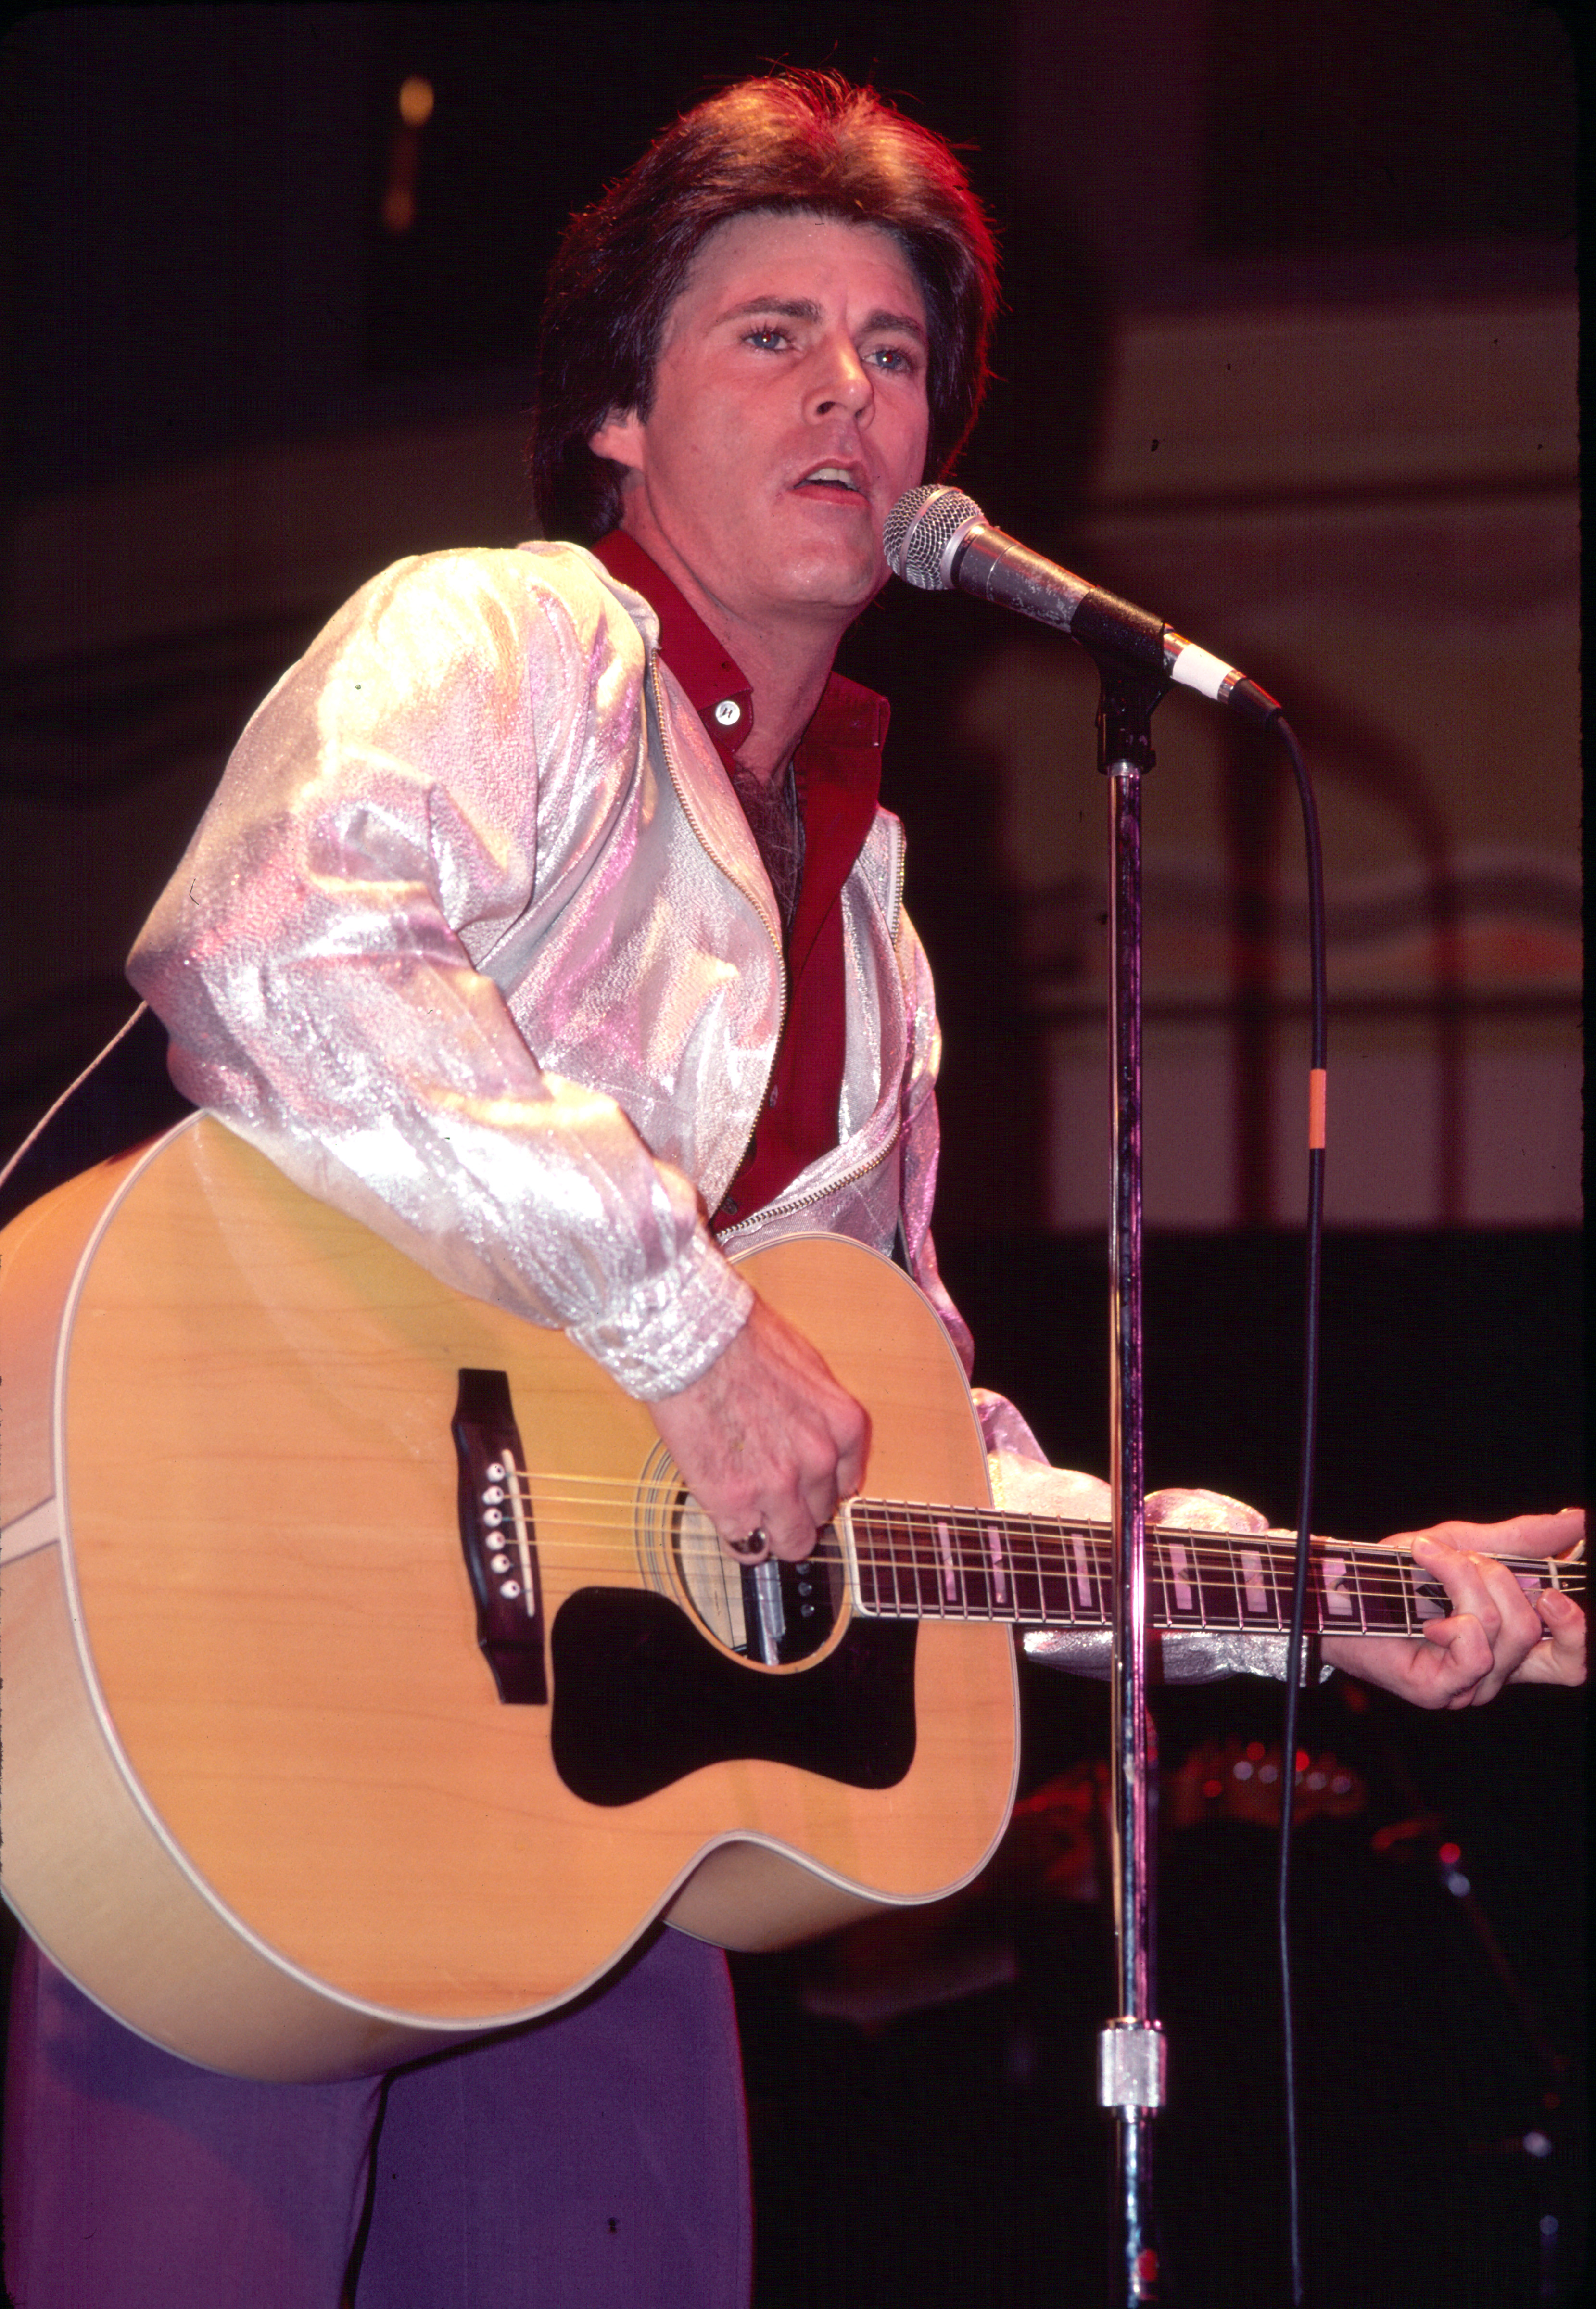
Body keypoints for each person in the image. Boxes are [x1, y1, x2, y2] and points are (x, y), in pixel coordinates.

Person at [3, 70, 1583, 2309]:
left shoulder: (869, 930)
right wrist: (676, 1329)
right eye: (770, 331)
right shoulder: (502, 637)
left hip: (590, 1840)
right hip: (244, 1707)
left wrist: (1338, 1596)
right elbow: (279, 946)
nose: (849, 385)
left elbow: (899, 1458)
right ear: (618, 416)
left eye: (895, 348)